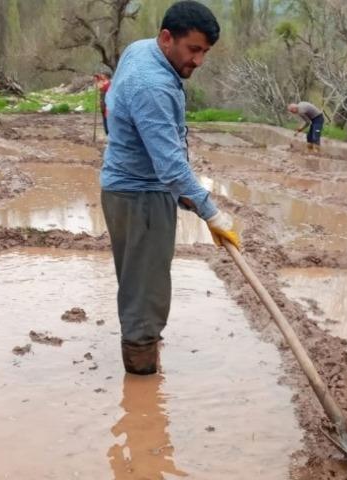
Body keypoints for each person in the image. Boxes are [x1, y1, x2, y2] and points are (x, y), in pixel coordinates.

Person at [100, 0, 240, 375]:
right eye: (193, 49)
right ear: (166, 38)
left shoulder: (140, 49)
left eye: (205, 52)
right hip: (141, 195)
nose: (198, 61)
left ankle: (144, 350)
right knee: (146, 295)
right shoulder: (153, 85)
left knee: (138, 284)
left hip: (124, 188)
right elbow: (171, 166)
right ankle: (143, 391)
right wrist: (211, 213)